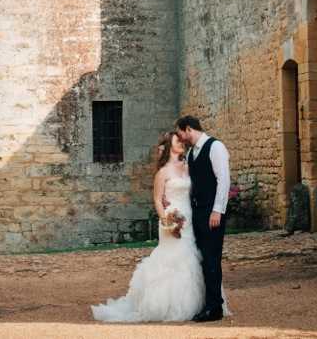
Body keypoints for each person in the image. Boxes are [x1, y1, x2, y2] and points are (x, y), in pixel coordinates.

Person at [90, 131, 205, 322]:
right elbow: (157, 200)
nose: (182, 143)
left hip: (189, 218)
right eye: (178, 140)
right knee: (173, 258)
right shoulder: (163, 172)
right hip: (171, 217)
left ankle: (193, 303)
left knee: (190, 257)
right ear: (169, 146)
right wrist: (166, 220)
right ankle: (167, 305)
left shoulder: (187, 167)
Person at [175, 115, 230, 323]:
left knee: (212, 259)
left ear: (188, 129)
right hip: (197, 213)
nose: (181, 138)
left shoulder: (216, 147)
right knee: (201, 260)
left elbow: (223, 180)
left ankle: (214, 307)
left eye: (181, 133)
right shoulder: (191, 154)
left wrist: (218, 210)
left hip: (212, 213)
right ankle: (208, 303)